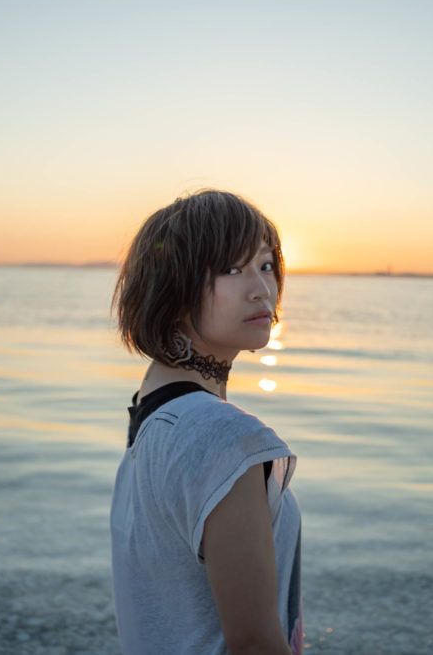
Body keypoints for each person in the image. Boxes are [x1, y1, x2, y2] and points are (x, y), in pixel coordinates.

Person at [110, 189, 302, 654]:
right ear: (174, 288)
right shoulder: (222, 436)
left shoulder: (153, 416)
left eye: (266, 265)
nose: (261, 288)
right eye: (231, 270)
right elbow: (254, 644)